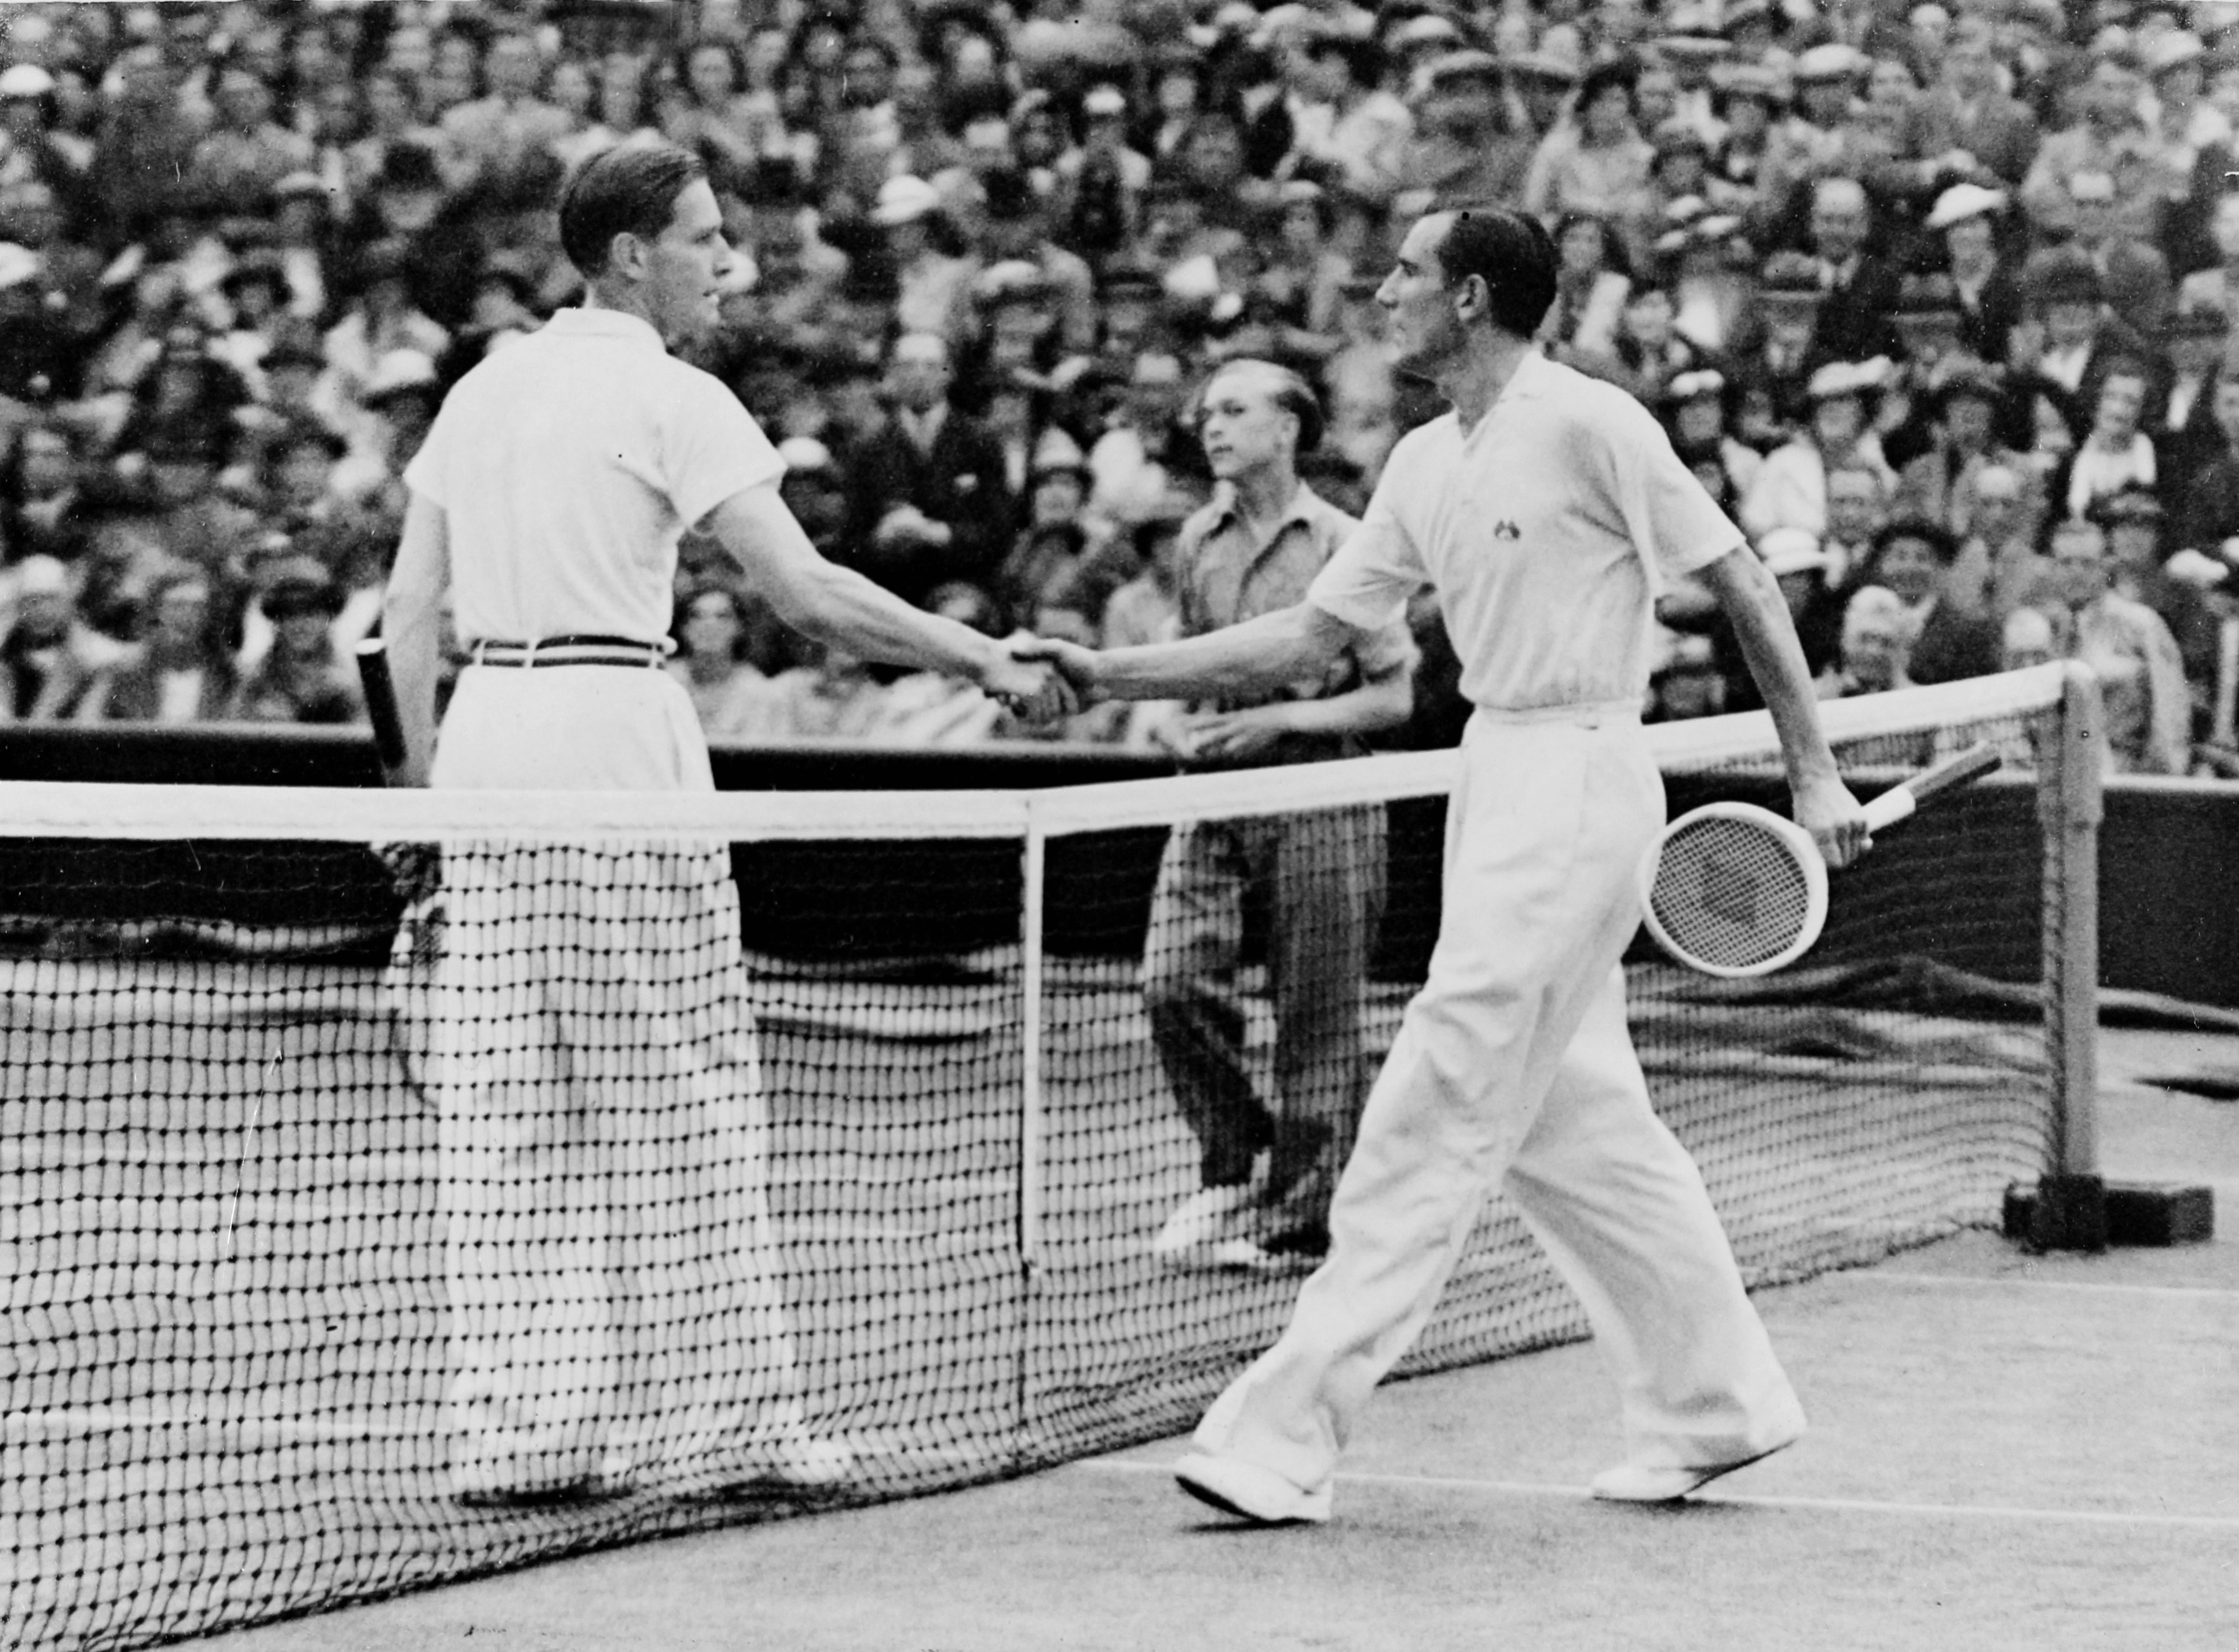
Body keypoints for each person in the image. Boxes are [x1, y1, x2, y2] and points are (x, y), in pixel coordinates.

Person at [1026, 206, 1867, 1526]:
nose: (1380, 292)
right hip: (1493, 777)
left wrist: (1810, 768)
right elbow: (1308, 634)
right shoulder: (1423, 459)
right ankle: (1716, 1404)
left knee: (1430, 1095)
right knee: (1573, 1121)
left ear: (1470, 297)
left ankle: (1281, 1432)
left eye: (1405, 274)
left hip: (1582, 774)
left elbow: (1748, 585)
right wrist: (1105, 673)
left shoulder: (1592, 422)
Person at [380, 140, 1069, 1509]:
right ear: (631, 256)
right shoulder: (674, 395)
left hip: (482, 747)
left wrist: (417, 808)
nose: (727, 263)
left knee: (511, 1113)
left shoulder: (483, 385)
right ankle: (731, 1428)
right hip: (612, 738)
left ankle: (530, 1434)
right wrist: (982, 657)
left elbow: (403, 622)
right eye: (702, 238)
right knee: (683, 1093)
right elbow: (807, 595)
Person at [1142, 360, 1416, 1277]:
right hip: (1215, 791)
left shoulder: (1350, 539)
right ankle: (1239, 1160)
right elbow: (1196, 663)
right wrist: (1176, 715)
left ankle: (1304, 1217)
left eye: (1232, 410)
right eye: (1206, 412)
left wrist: (1278, 718)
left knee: (1316, 1017)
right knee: (1171, 981)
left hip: (1321, 792)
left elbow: (1393, 697)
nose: (1211, 427)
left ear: (1290, 428)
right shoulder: (1196, 540)